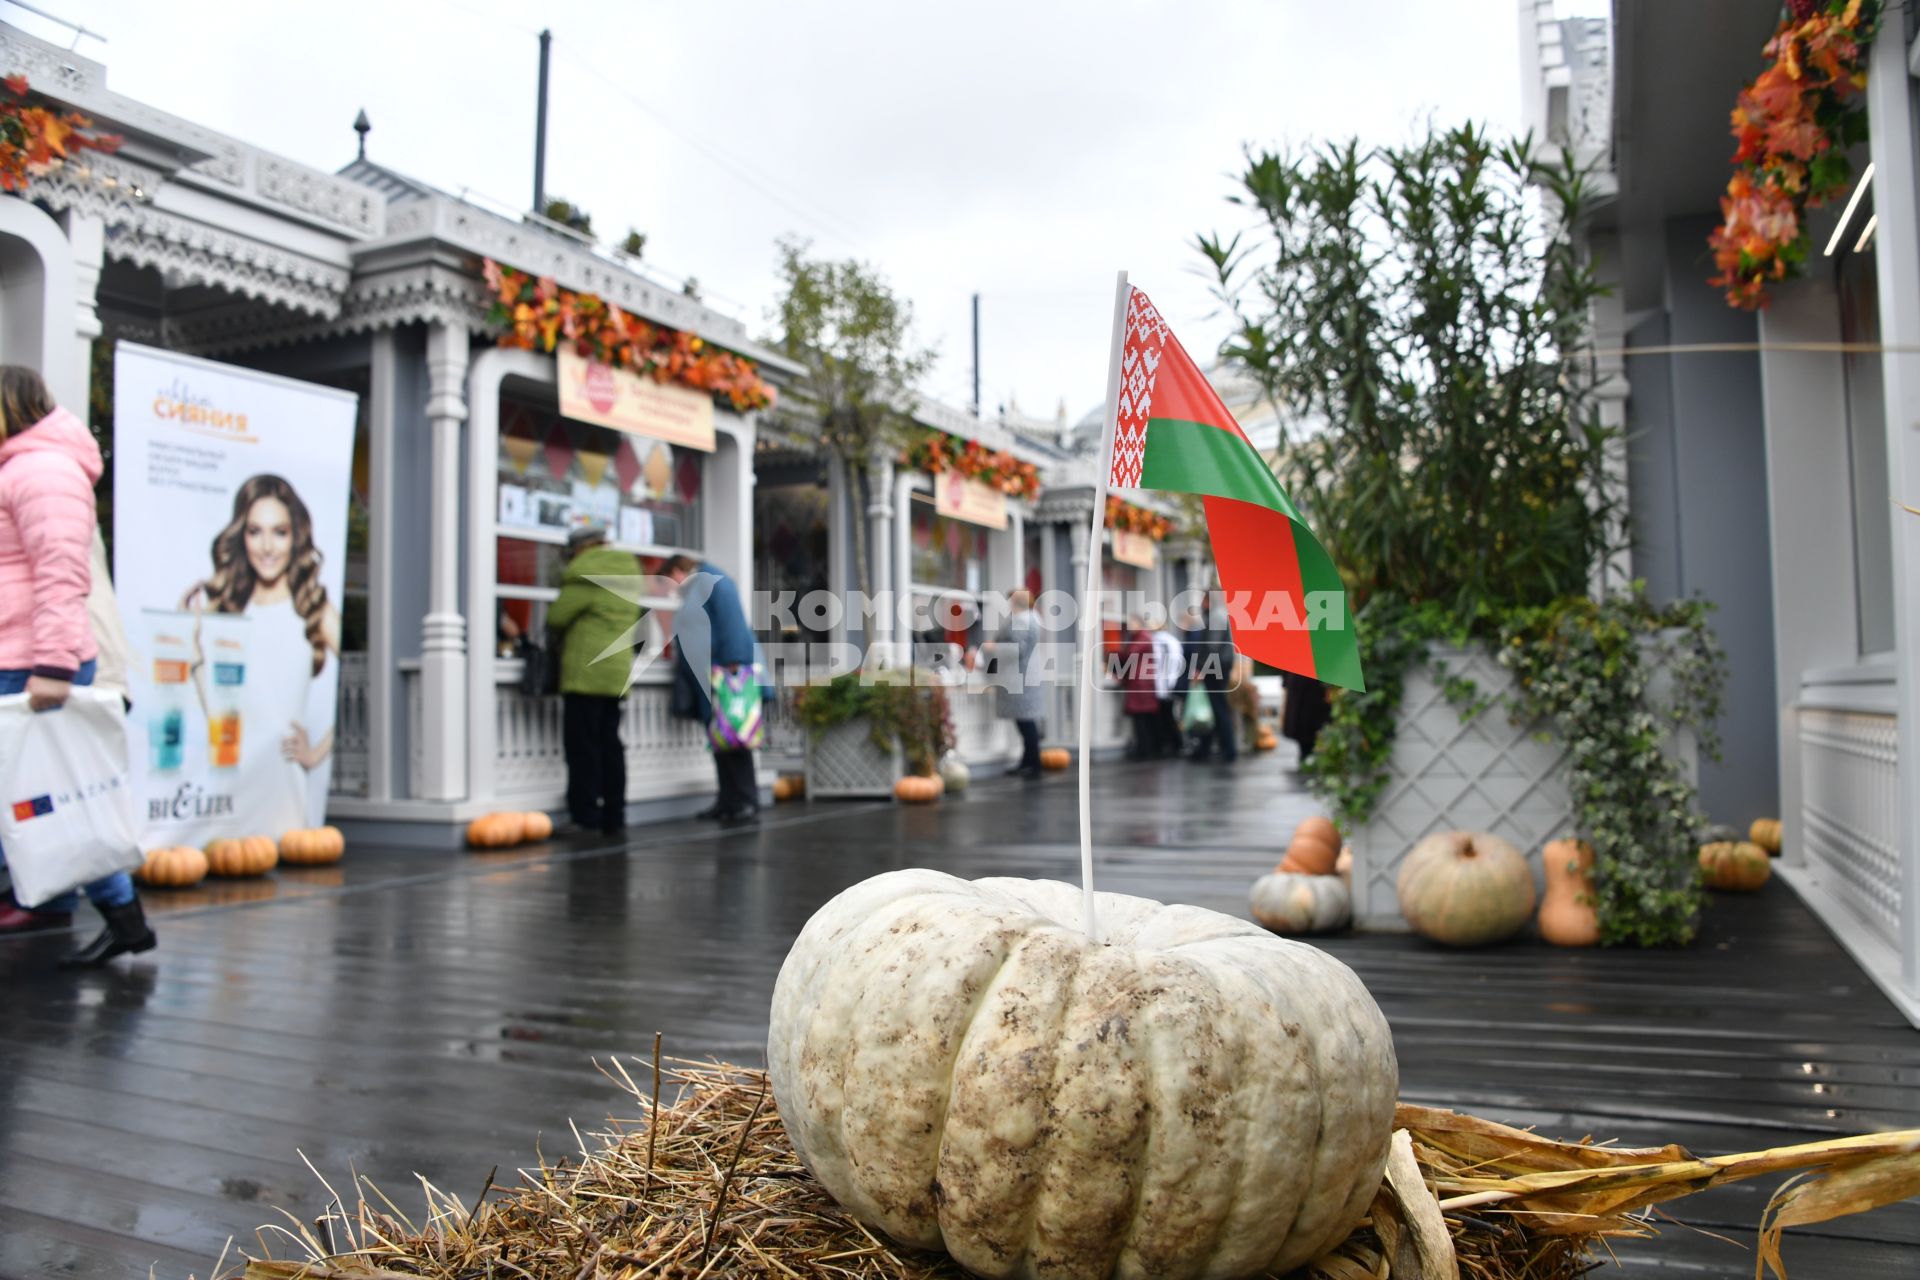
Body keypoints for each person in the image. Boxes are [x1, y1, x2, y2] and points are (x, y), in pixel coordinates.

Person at [0, 365, 156, 965]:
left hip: (32, 665)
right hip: (18, 660)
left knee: (63, 799)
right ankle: (125, 920)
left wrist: (55, 666)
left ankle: (124, 916)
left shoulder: (44, 471)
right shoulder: (23, 468)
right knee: (55, 800)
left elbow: (63, 574)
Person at [184, 473, 343, 835]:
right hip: (224, 784)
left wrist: (316, 752)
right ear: (241, 536)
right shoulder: (221, 608)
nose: (267, 546)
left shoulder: (313, 610)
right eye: (255, 531)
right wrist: (188, 645)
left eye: (280, 532)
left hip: (282, 787)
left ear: (295, 536)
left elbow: (374, 685)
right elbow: (208, 710)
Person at [547, 523, 642, 835]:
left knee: (582, 746)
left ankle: (585, 817)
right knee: (611, 744)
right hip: (617, 671)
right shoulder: (628, 571)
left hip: (586, 671)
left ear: (580, 548)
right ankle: (615, 814)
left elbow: (555, 618)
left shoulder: (585, 572)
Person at [663, 554, 760, 825]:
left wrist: (734, 662)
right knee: (721, 739)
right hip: (709, 675)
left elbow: (732, 623)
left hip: (724, 673)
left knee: (735, 738)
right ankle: (728, 800)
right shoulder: (698, 586)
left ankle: (745, 800)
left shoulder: (714, 582)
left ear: (677, 571)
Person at [983, 588, 1043, 779]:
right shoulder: (1033, 619)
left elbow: (1016, 650)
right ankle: (1029, 761)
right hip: (1026, 676)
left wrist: (994, 647)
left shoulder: (1021, 621)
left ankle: (1032, 763)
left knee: (1025, 722)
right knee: (1026, 721)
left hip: (1018, 677)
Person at [1188, 603, 1239, 765]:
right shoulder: (1217, 616)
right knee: (1215, 709)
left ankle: (1226, 749)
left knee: (1218, 709)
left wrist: (1201, 668)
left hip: (1215, 668)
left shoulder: (1216, 617)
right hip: (1217, 667)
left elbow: (1212, 646)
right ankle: (1213, 747)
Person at [1119, 615, 1158, 759]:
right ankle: (1146, 748)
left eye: (1132, 623)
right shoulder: (1142, 638)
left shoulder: (1142, 638)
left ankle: (1145, 750)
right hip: (1141, 682)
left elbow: (1129, 654)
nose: (1130, 626)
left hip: (1141, 684)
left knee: (1142, 720)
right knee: (1142, 720)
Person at [1150, 619, 1184, 757]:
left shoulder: (1159, 641)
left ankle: (1173, 744)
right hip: (1171, 683)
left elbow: (1159, 664)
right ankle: (1176, 744)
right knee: (1170, 716)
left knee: (1165, 717)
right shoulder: (1173, 640)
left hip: (1163, 685)